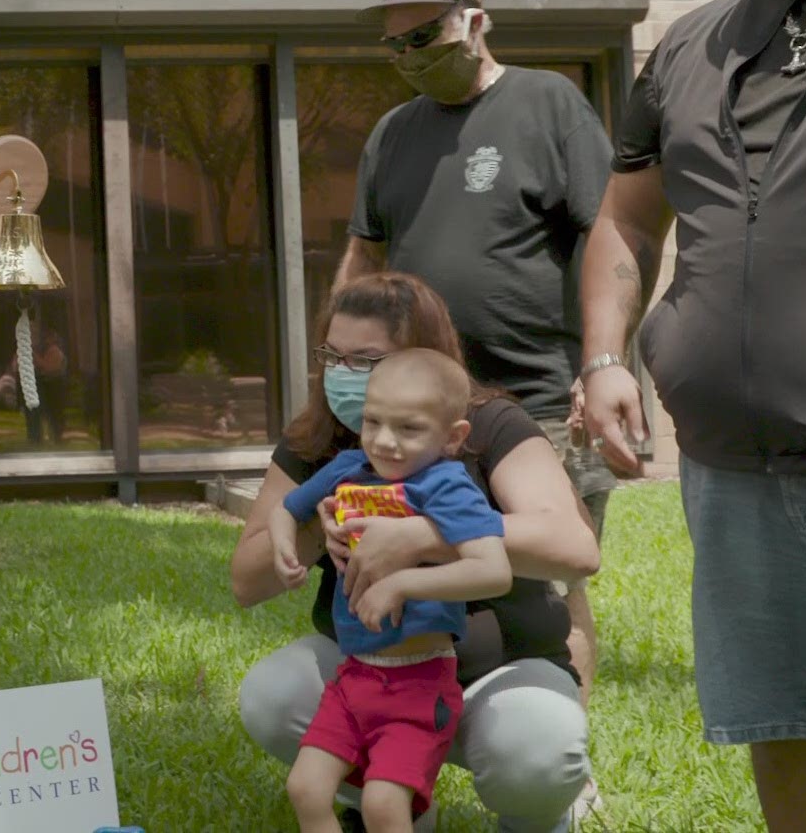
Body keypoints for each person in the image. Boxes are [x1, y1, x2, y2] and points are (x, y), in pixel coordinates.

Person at [581, 0, 806, 828]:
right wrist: (604, 357)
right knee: (783, 721)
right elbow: (626, 219)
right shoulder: (693, 42)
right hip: (734, 472)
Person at [333, 0, 619, 740]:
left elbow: (608, 237)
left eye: (422, 37)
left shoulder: (547, 103)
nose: (406, 58)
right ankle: (406, 744)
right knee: (420, 561)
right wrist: (342, 364)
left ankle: (562, 760)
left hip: (536, 394)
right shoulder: (393, 134)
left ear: (475, 20)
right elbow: (365, 255)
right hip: (420, 410)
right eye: (393, 45)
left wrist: (601, 364)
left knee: (552, 578)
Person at [232, 273, 600, 833]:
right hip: (369, 669)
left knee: (536, 751)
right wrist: (320, 525)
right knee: (271, 695)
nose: (344, 375)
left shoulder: (488, 426)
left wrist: (422, 534)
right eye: (333, 355)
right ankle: (388, 808)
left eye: (366, 360)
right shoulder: (323, 442)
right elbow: (247, 579)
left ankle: (540, 818)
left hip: (502, 671)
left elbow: (574, 548)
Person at [270, 349, 512, 833]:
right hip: (355, 676)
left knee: (383, 804)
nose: (384, 441)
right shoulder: (349, 467)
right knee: (305, 788)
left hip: (420, 683)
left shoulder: (446, 485)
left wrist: (404, 583)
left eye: (409, 429)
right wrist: (283, 548)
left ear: (453, 437)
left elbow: (494, 570)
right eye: (373, 421)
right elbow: (286, 507)